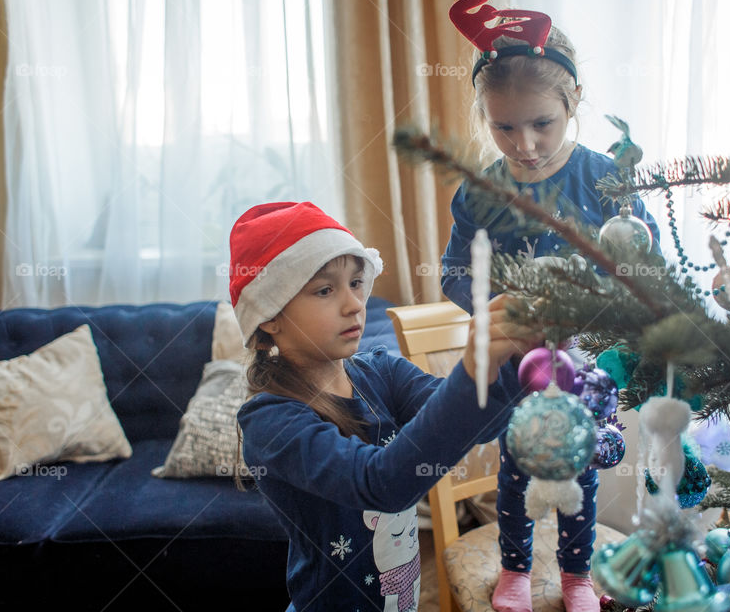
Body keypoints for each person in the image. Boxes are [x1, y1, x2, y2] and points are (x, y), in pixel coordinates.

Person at [441, 0, 662, 612]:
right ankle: (513, 571)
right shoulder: (480, 190)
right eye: (503, 126)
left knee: (579, 473)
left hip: (587, 365)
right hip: (517, 363)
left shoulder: (605, 179)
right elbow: (454, 273)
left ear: (573, 104)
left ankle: (575, 579)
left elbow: (649, 259)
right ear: (484, 115)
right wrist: (499, 305)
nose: (526, 144)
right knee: (515, 471)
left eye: (543, 123)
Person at [230, 201, 542, 612]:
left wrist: (518, 359)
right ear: (270, 316)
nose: (354, 303)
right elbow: (382, 486)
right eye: (325, 290)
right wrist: (471, 368)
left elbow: (477, 425)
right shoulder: (271, 422)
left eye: (357, 283)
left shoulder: (382, 372)